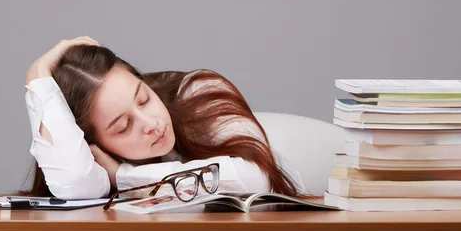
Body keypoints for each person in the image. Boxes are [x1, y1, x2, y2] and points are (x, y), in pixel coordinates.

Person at [22, 36, 306, 200]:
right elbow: (75, 182)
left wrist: (126, 177)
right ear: (92, 145)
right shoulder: (91, 164)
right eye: (124, 127)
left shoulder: (201, 92)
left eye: (144, 98)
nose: (151, 123)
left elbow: (255, 179)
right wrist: (37, 77)